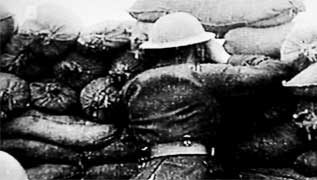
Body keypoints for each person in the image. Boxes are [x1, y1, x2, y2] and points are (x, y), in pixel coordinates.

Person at [120, 12, 300, 180]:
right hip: (190, 169)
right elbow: (276, 71)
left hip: (151, 170)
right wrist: (226, 58)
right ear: (199, 49)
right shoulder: (203, 75)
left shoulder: (133, 85)